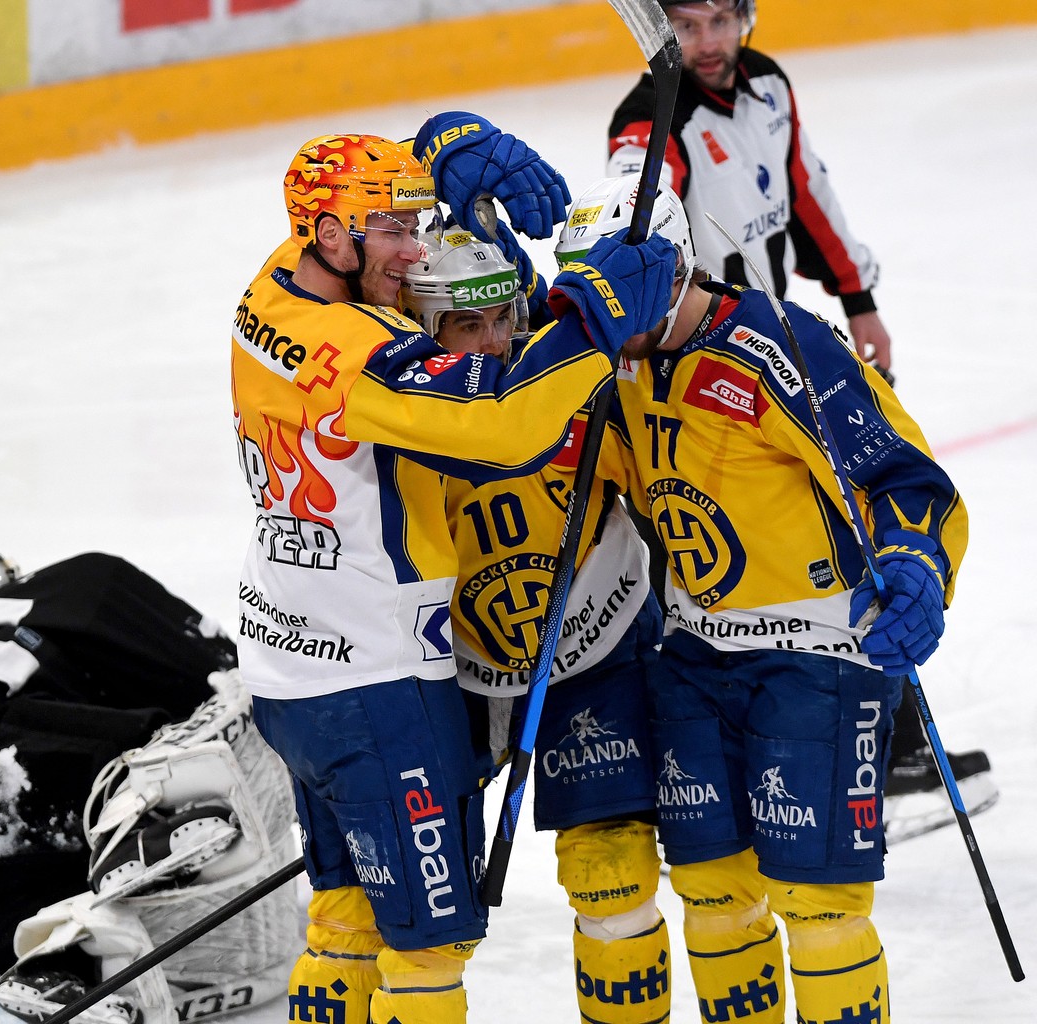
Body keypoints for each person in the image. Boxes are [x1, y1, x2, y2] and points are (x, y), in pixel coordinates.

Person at [231, 124, 678, 1024]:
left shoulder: (273, 289)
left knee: (349, 917)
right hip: (377, 673)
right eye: (395, 231)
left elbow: (364, 215)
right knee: (428, 946)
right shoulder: (349, 349)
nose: (413, 251)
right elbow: (499, 422)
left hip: (291, 657)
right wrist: (590, 318)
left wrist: (439, 148)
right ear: (333, 235)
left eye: (416, 224)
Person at [557, 173, 968, 1022]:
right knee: (710, 889)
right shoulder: (611, 363)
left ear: (671, 270)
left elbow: (900, 472)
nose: (596, 313)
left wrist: (918, 564)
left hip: (815, 656)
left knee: (819, 907)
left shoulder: (776, 339)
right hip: (696, 656)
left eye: (612, 290)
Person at [605, 0, 996, 834]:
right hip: (705, 373)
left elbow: (807, 193)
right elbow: (639, 220)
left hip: (790, 355)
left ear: (745, 17)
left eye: (719, 21)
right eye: (685, 25)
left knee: (860, 529)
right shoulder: (646, 121)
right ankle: (819, 749)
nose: (704, 43)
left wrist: (857, 296)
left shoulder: (769, 86)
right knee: (775, 558)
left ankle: (883, 747)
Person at [402, 227, 672, 1024]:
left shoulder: (573, 389)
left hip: (599, 642)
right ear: (425, 334)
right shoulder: (401, 423)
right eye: (465, 327)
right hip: (451, 666)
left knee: (612, 877)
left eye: (504, 320)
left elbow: (666, 480)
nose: (493, 344)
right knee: (418, 910)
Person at [0, 545, 300, 1024]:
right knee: (200, 737)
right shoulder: (35, 597)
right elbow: (194, 656)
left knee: (78, 909)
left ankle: (61, 963)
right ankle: (139, 826)